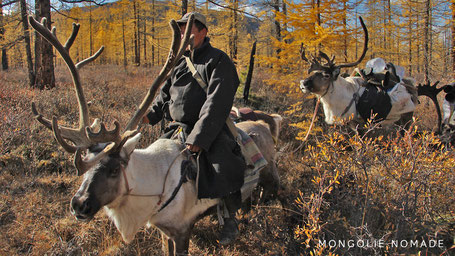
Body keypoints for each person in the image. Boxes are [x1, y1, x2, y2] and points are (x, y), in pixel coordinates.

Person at [142, 12, 246, 245]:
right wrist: (148, 116)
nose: (182, 35)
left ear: (203, 32)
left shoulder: (219, 60)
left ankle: (230, 217)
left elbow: (217, 102)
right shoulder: (179, 62)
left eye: (187, 30)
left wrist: (199, 136)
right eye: (180, 31)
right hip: (177, 127)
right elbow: (164, 96)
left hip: (210, 126)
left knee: (223, 163)